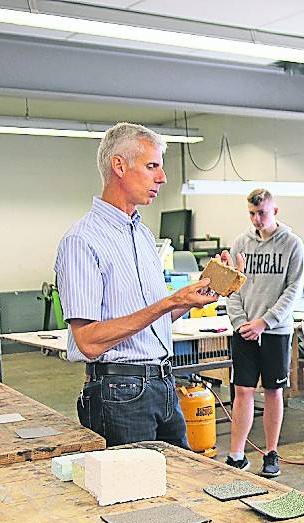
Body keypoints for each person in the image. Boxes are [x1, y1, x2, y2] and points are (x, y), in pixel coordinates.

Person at [55, 122, 238, 447]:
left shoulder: (142, 235)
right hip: (119, 393)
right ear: (119, 165)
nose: (162, 177)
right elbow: (88, 341)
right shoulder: (82, 241)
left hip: (163, 384)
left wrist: (191, 298)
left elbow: (151, 322)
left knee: (184, 485)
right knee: (137, 495)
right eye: (152, 166)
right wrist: (168, 302)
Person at [225, 188, 304, 478]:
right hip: (244, 330)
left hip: (275, 331)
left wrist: (265, 322)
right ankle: (236, 454)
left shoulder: (293, 245)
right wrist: (240, 323)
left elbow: (293, 291)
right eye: (252, 214)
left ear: (275, 212)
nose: (257, 219)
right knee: (242, 390)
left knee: (273, 391)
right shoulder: (240, 244)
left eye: (262, 213)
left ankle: (271, 453)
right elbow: (231, 288)